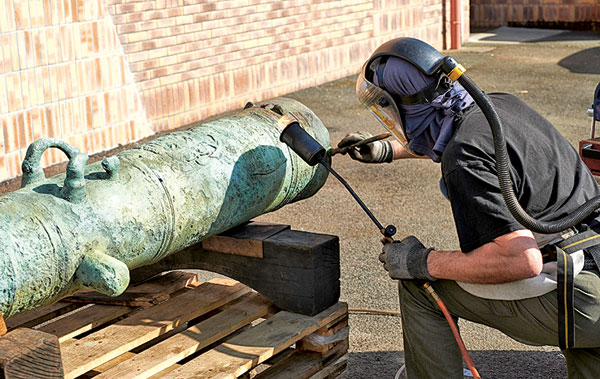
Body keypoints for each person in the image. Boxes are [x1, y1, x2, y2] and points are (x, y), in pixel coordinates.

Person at [339, 38, 600, 379]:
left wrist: (422, 261)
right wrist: (389, 150)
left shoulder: (463, 157)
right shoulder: (500, 106)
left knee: (422, 289)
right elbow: (457, 135)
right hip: (592, 259)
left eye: (389, 109)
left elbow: (521, 259)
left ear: (410, 108)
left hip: (581, 297)